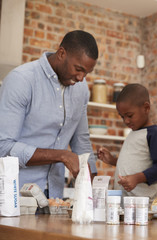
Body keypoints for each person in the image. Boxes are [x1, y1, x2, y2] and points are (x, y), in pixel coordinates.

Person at [0, 30, 98, 198]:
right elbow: (4, 147)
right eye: (78, 69)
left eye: (86, 73)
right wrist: (61, 155)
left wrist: (95, 191)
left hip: (55, 197)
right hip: (15, 196)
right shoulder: (21, 80)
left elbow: (81, 141)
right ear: (61, 53)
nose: (81, 78)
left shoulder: (81, 90)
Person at [97, 83, 157, 201]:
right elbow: (135, 163)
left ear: (146, 108)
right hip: (128, 202)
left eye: (129, 115)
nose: (126, 121)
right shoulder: (133, 133)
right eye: (122, 117)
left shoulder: (154, 134)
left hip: (146, 204)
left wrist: (137, 178)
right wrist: (112, 160)